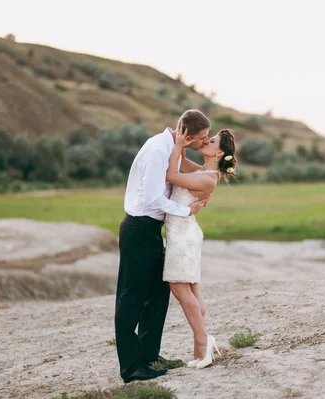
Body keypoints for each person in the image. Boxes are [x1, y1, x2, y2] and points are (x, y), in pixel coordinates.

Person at [114, 110, 211, 383]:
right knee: (130, 298)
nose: (203, 143)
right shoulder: (158, 149)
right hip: (138, 229)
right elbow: (154, 198)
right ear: (187, 134)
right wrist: (186, 211)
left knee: (157, 295)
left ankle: (149, 356)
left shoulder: (173, 147)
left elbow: (185, 168)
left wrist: (213, 170)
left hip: (152, 230)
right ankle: (132, 367)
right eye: (201, 138)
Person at [164, 127, 238, 369]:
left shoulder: (207, 178)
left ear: (219, 153)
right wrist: (182, 141)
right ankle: (202, 346)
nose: (207, 141)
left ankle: (202, 342)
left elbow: (172, 175)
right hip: (183, 232)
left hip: (183, 235)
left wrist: (176, 147)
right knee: (192, 291)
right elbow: (183, 162)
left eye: (212, 140)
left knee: (180, 289)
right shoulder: (203, 171)